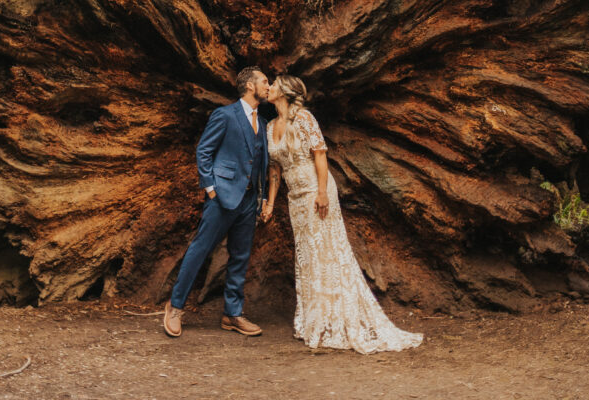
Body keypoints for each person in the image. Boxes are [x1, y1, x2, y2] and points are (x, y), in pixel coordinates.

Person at [263, 75, 423, 354]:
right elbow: (274, 170)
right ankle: (315, 320)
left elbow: (320, 154)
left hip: (315, 190)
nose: (270, 87)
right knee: (307, 256)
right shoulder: (269, 126)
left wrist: (322, 192)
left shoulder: (304, 119)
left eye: (274, 83)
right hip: (294, 198)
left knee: (327, 253)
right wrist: (270, 202)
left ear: (286, 92)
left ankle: (334, 318)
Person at [164, 67, 270, 338]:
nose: (269, 87)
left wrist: (262, 195)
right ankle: (175, 307)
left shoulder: (263, 121)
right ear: (249, 86)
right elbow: (204, 151)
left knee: (240, 256)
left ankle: (232, 314)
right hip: (222, 197)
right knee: (200, 250)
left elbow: (260, 162)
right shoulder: (224, 115)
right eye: (265, 82)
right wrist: (211, 189)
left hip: (249, 200)